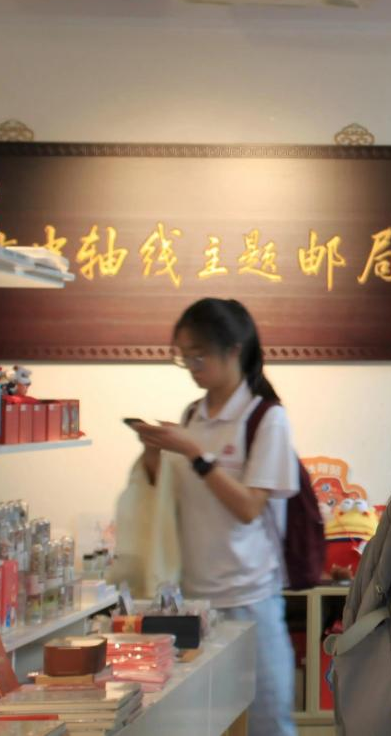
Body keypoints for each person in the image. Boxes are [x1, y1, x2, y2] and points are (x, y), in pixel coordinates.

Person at [130, 298, 300, 736]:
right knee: (200, 724)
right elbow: (172, 497)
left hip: (250, 598)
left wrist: (195, 452)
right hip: (191, 601)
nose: (191, 367)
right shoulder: (193, 416)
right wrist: (154, 453)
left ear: (234, 350)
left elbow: (248, 508)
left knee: (267, 723)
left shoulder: (265, 418)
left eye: (199, 355)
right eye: (184, 357)